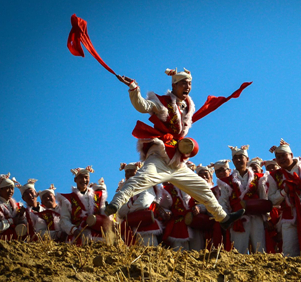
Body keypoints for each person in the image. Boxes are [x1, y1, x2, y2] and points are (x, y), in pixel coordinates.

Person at [105, 68, 244, 230]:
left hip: (177, 163)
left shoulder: (186, 107)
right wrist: (134, 88)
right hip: (160, 156)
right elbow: (142, 106)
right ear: (174, 85)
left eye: (190, 83)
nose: (188, 86)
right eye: (184, 83)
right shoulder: (162, 102)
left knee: (202, 187)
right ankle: (114, 205)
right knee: (140, 179)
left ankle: (223, 218)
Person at [218, 145, 268, 254]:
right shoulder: (227, 181)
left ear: (247, 159)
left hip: (256, 217)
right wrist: (226, 218)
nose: (238, 160)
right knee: (239, 249)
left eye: (241, 157)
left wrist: (266, 218)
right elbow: (223, 201)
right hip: (237, 218)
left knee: (260, 249)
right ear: (232, 161)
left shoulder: (258, 178)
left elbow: (263, 197)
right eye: (235, 158)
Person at [116, 162, 164, 246]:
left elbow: (143, 203)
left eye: (132, 171)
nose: (130, 174)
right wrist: (132, 206)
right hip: (130, 227)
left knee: (149, 251)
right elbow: (119, 212)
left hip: (145, 225)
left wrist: (128, 207)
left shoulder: (145, 184)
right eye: (127, 172)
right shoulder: (123, 189)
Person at [60, 166, 110, 244]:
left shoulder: (98, 196)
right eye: (80, 177)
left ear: (89, 179)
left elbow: (103, 213)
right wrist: (74, 230)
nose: (84, 180)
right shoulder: (68, 199)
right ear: (75, 180)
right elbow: (64, 220)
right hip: (78, 235)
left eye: (86, 177)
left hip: (98, 233)